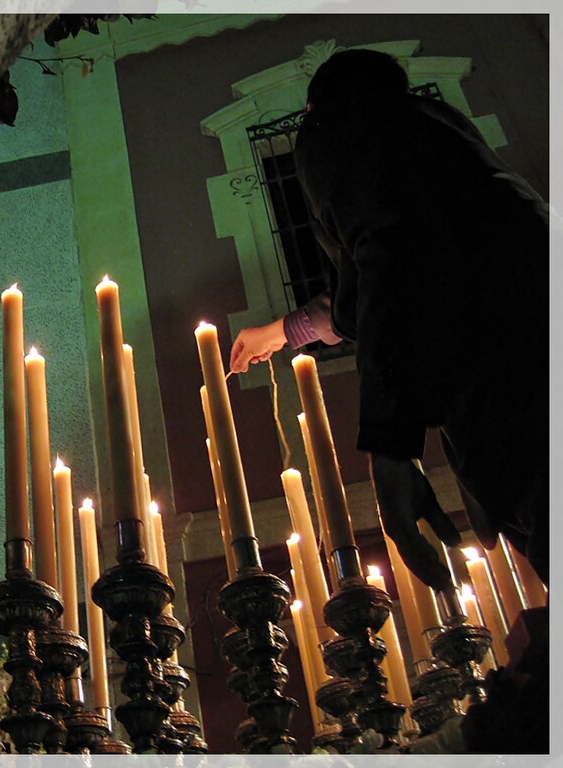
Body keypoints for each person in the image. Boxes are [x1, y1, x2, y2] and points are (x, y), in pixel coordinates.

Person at [229, 49, 548, 595]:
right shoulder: (449, 141)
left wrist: (392, 451)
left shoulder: (337, 130)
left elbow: (393, 257)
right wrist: (289, 331)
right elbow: (381, 274)